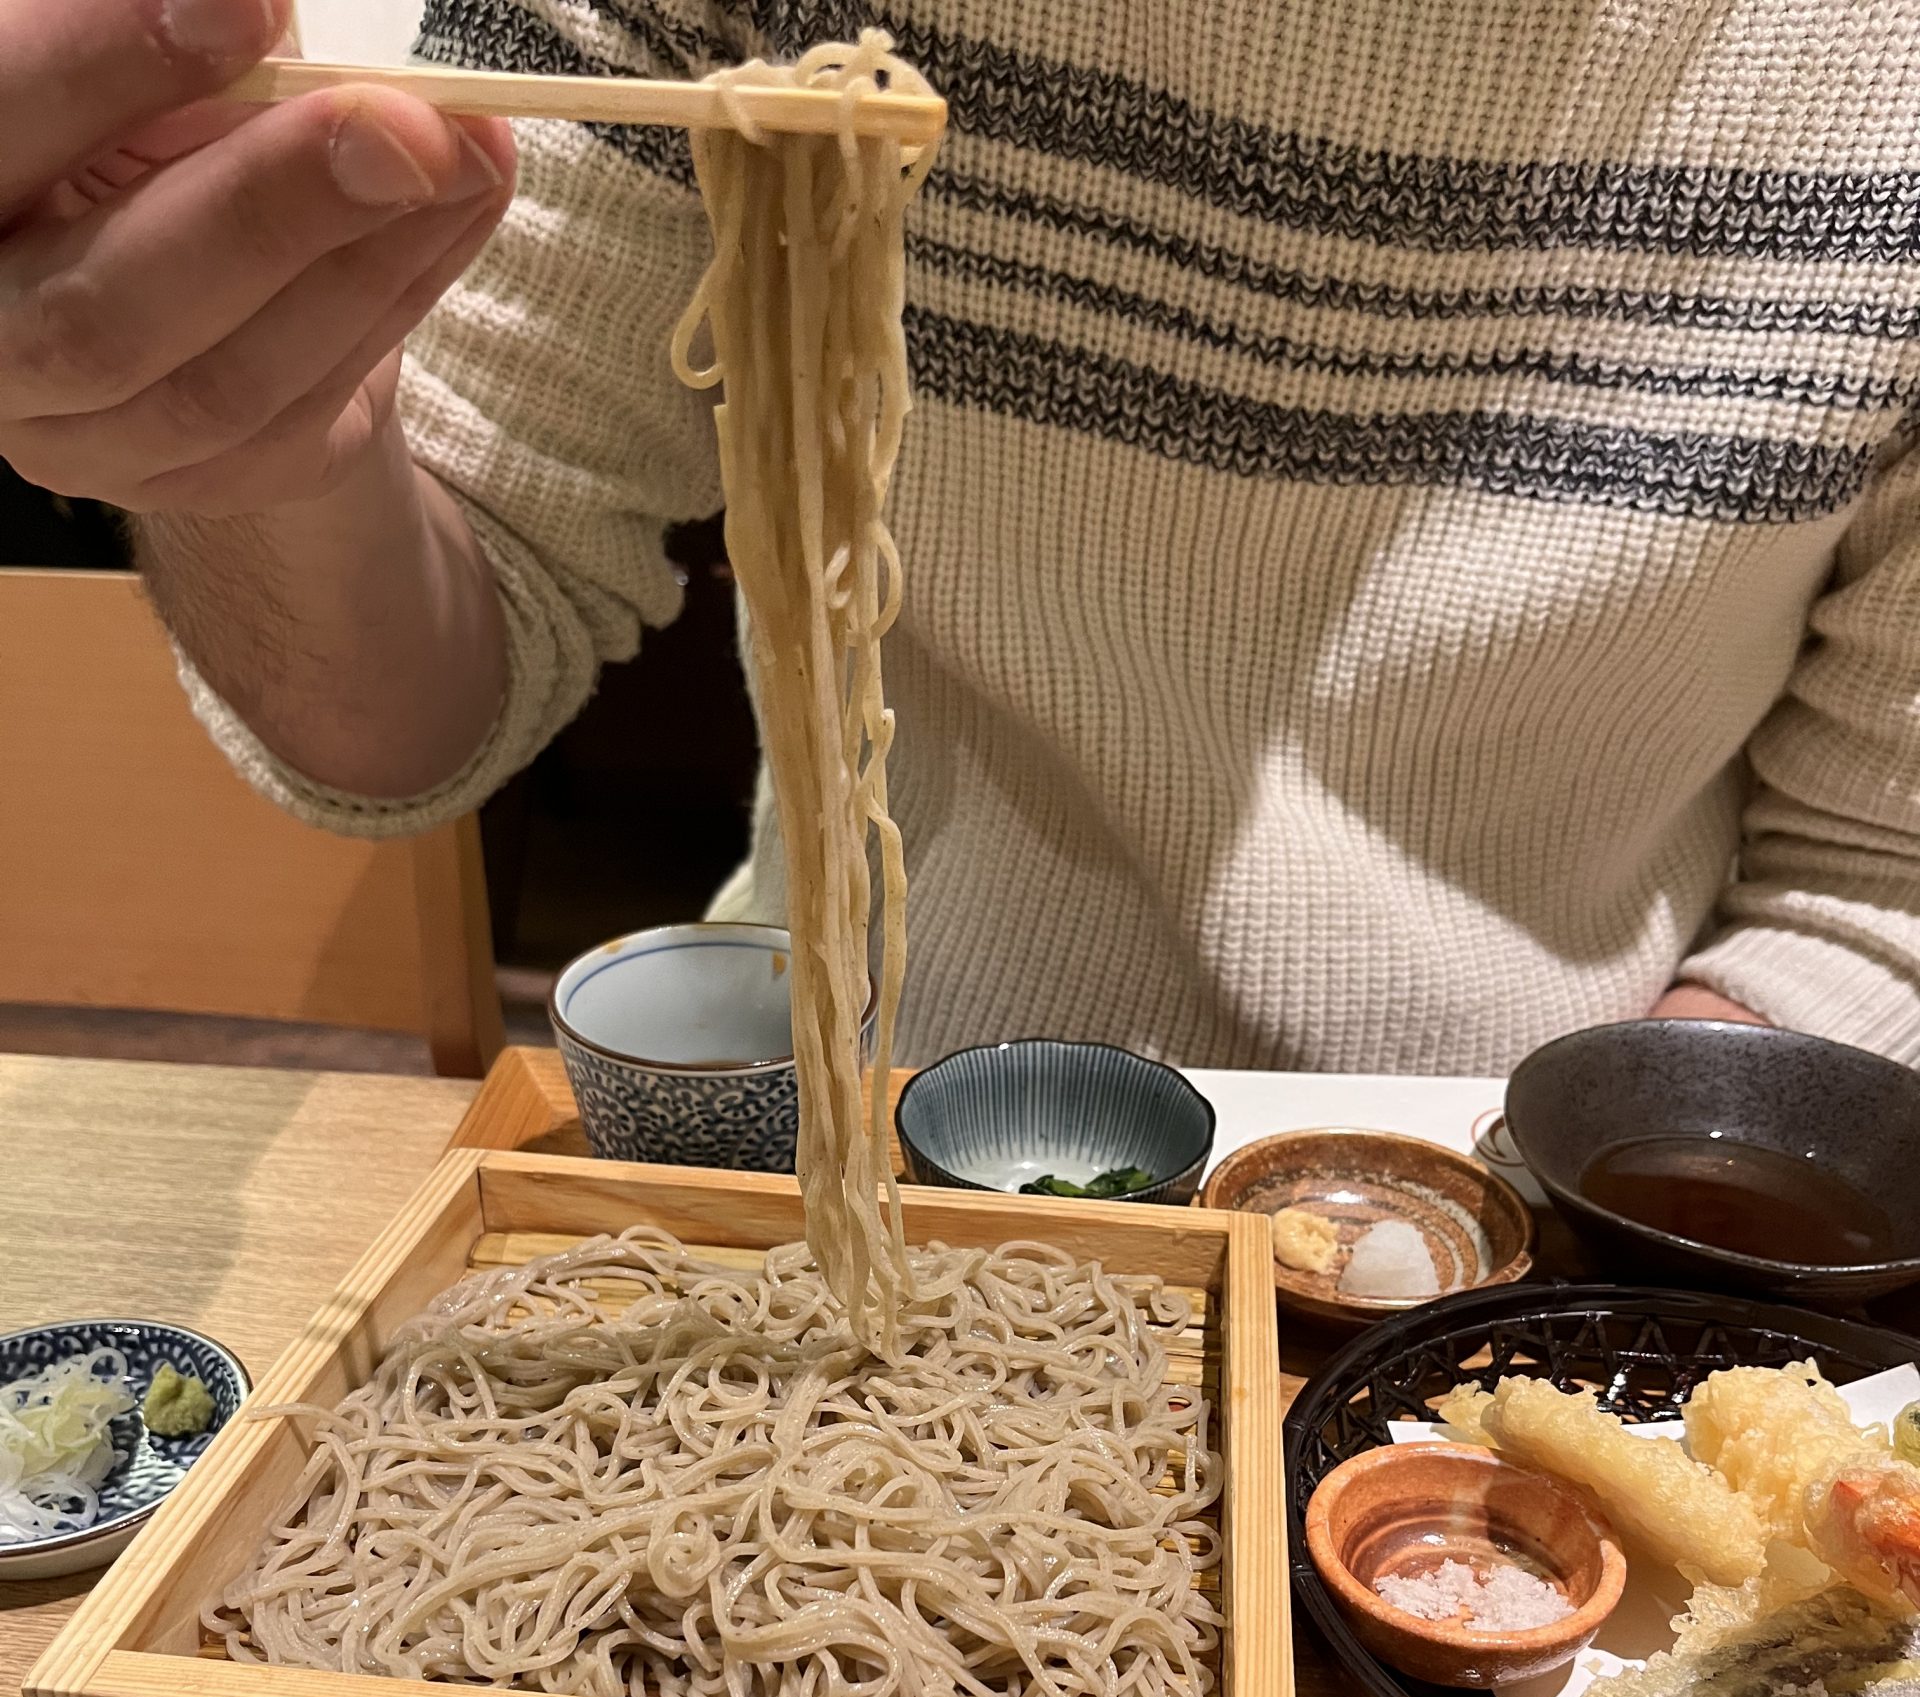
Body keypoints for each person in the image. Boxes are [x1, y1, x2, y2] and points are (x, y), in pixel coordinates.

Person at [6, 0, 1919, 1071]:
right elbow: (441, 657)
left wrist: (1560, 1222)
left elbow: (1878, 894)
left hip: (1538, 1163)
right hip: (851, 1063)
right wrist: (256, 449)